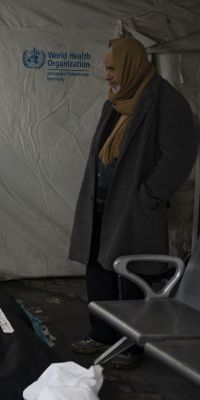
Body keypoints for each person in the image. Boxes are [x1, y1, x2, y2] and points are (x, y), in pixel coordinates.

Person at [69, 37, 198, 369]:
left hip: (133, 208)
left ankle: (131, 344)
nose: (107, 75)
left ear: (131, 65)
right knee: (98, 269)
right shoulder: (115, 102)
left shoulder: (166, 101)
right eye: (107, 68)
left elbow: (179, 156)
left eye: (112, 68)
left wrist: (149, 195)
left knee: (131, 275)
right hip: (101, 204)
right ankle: (102, 334)